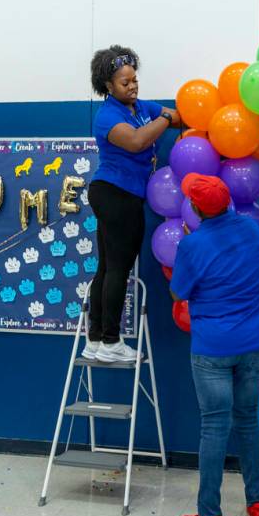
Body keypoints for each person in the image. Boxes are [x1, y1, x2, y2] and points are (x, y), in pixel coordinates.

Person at [170, 174, 259, 516]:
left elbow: (178, 291)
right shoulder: (250, 231)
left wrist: (188, 245)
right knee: (247, 421)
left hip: (213, 346)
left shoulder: (193, 244)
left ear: (197, 209)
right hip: (256, 342)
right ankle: (257, 506)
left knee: (214, 428)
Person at [85, 46, 181, 363]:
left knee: (108, 267)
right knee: (118, 269)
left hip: (122, 195)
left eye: (134, 79)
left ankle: (96, 339)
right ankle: (111, 341)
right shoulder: (108, 116)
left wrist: (169, 116)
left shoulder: (140, 107)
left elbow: (175, 116)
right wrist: (164, 118)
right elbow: (138, 140)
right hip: (114, 193)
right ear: (108, 87)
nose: (132, 86)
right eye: (125, 83)